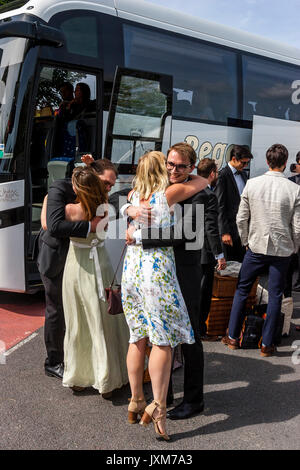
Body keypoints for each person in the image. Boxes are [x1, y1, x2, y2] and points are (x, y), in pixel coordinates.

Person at [122, 150, 208, 440]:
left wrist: (130, 216)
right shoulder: (168, 195)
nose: (173, 170)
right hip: (156, 275)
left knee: (138, 337)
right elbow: (205, 180)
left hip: (132, 272)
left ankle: (136, 400)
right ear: (161, 169)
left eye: (179, 166)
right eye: (168, 165)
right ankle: (158, 407)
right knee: (164, 342)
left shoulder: (134, 194)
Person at [37, 158, 118, 380]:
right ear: (91, 175)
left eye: (112, 184)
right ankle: (53, 362)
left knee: (82, 309)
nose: (108, 188)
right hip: (56, 258)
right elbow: (52, 226)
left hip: (81, 259)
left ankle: (83, 359)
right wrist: (89, 226)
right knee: (57, 309)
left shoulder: (99, 195)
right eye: (106, 182)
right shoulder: (59, 188)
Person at [222, 144, 300, 357]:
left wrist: (246, 240)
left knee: (242, 290)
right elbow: (298, 226)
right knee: (275, 295)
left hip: (255, 247)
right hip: (282, 250)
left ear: (267, 162)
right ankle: (266, 344)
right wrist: (294, 247)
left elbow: (241, 217)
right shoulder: (294, 189)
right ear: (285, 163)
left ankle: (232, 337)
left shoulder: (252, 184)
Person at [62, 167, 129, 395]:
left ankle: (78, 376)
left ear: (77, 188)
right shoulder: (104, 210)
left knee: (78, 320)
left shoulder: (69, 210)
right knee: (102, 320)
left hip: (76, 266)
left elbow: (47, 225)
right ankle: (107, 378)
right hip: (100, 263)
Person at [196, 158, 226, 339]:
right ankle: (200, 330)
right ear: (212, 174)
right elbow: (211, 228)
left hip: (188, 249)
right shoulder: (209, 195)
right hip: (204, 251)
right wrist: (219, 254)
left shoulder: (190, 190)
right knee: (203, 293)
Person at [215, 145, 253, 262]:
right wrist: (224, 232)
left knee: (241, 265)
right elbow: (220, 206)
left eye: (247, 163)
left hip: (242, 230)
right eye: (243, 163)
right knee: (230, 268)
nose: (245, 166)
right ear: (233, 159)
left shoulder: (243, 174)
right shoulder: (223, 175)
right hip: (229, 231)